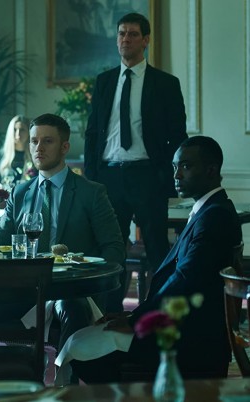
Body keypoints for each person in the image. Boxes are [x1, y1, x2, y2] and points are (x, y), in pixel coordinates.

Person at [69, 135, 242, 383]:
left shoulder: (215, 216)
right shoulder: (211, 210)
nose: (176, 175)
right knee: (83, 340)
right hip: (185, 325)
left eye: (186, 166)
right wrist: (134, 315)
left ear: (211, 170)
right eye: (175, 167)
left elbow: (184, 281)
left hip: (190, 338)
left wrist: (138, 319)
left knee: (82, 350)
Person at [0, 113, 125, 354]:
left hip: (72, 290)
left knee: (71, 307)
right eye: (34, 141)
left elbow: (114, 249)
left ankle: (67, 375)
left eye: (47, 141)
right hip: (26, 291)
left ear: (64, 147)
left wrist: (93, 284)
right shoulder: (19, 193)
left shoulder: (91, 193)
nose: (38, 148)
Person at [83, 12, 188, 313]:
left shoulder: (165, 83)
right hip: (109, 177)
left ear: (146, 40)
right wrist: (92, 178)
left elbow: (177, 136)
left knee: (157, 249)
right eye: (121, 34)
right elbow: (92, 133)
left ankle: (161, 313)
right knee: (111, 249)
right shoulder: (104, 81)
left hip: (147, 176)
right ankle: (110, 314)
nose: (125, 39)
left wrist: (165, 176)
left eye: (132, 34)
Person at [0, 115, 32, 186]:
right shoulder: (0, 155)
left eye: (22, 130)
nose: (18, 134)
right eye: (15, 129)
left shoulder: (34, 155)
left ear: (29, 132)